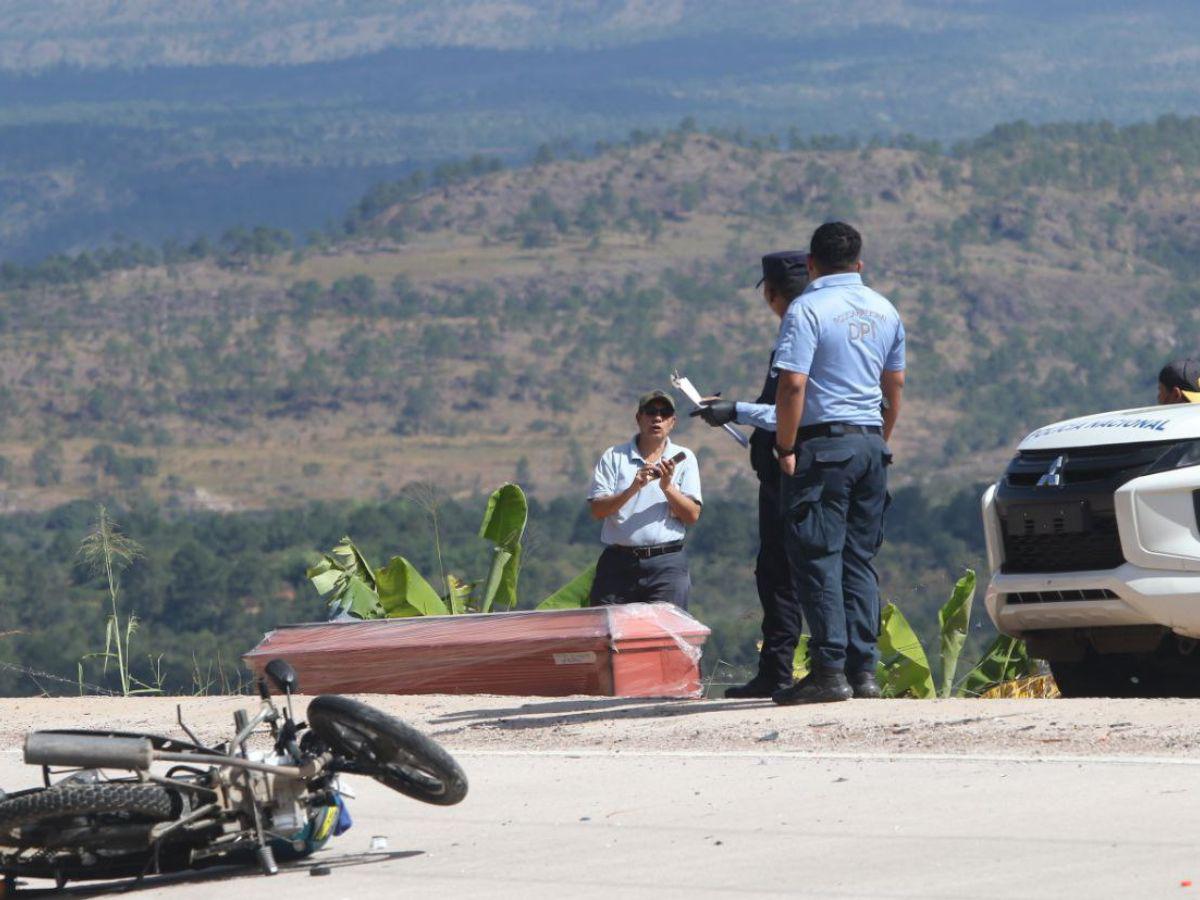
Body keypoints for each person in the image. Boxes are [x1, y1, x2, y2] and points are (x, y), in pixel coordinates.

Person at [771, 222, 905, 704]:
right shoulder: (885, 309)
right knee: (859, 558)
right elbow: (895, 385)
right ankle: (862, 670)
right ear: (859, 264)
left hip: (823, 447)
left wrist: (786, 448)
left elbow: (792, 386)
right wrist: (879, 438)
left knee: (817, 556)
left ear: (811, 264)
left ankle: (828, 670)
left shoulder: (807, 308)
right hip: (871, 442)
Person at [691, 251, 809, 698]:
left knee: (783, 573)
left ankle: (787, 670)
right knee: (781, 571)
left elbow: (788, 408)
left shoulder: (798, 335)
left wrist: (734, 411)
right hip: (784, 472)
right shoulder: (806, 329)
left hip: (789, 474)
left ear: (771, 293)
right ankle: (781, 669)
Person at [587, 390, 703, 608]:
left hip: (667, 563)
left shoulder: (685, 459)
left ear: (673, 422)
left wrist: (668, 487)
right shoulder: (614, 457)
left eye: (664, 413)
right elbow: (597, 511)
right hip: (618, 564)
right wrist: (632, 488)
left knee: (668, 636)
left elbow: (692, 515)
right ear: (638, 418)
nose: (657, 418)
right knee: (611, 635)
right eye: (651, 412)